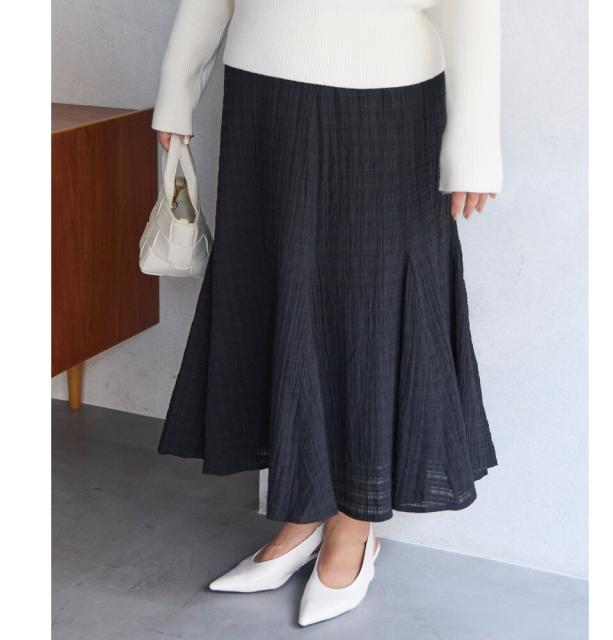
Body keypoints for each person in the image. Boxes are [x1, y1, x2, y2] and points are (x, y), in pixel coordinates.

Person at [152, 0, 501, 626]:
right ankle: (304, 513)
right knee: (275, 292)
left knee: (370, 310)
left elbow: (471, 9)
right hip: (263, 90)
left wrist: (474, 142)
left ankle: (353, 524)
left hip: (388, 97)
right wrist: (177, 93)